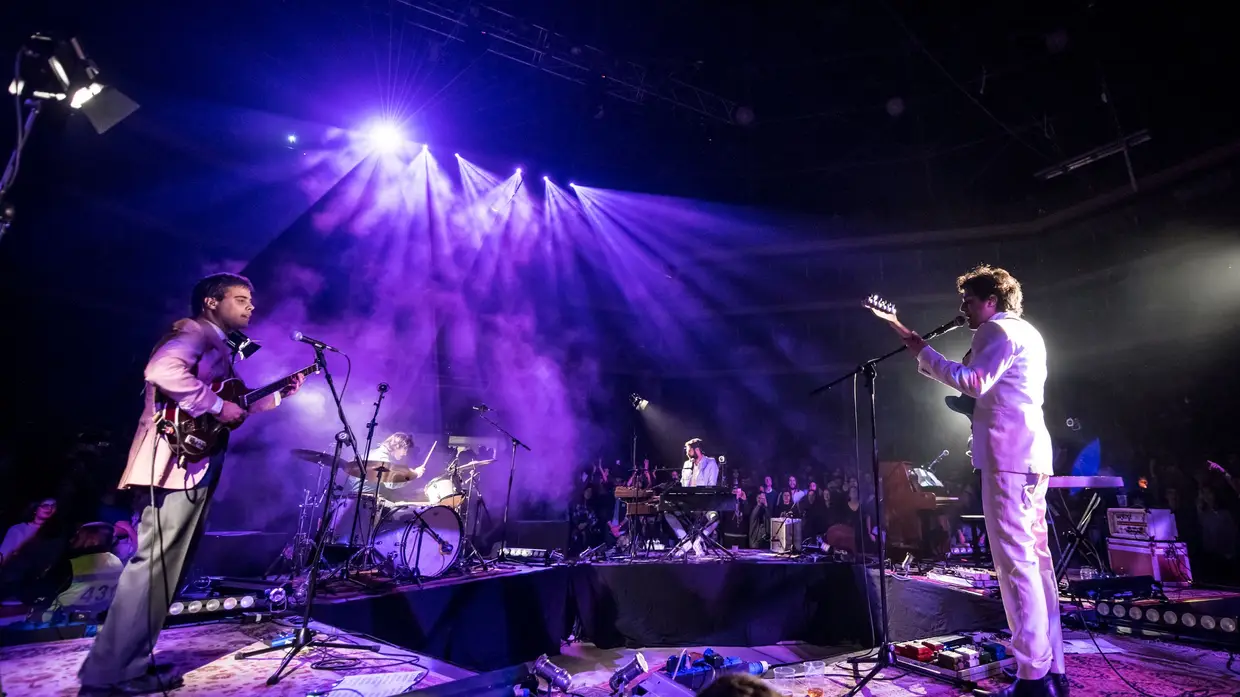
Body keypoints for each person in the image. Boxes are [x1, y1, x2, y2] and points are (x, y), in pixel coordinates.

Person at [78, 272, 304, 696]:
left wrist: (275, 397)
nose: (250, 306)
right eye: (240, 299)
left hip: (192, 464)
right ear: (210, 302)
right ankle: (112, 674)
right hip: (176, 465)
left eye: (251, 300)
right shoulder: (194, 329)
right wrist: (217, 405)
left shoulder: (218, 343)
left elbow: (235, 408)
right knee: (154, 569)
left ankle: (126, 665)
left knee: (165, 571)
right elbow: (161, 369)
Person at [900, 265, 1065, 697]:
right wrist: (927, 358)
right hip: (1032, 455)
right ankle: (1054, 669)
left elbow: (974, 381)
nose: (963, 309)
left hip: (1007, 458)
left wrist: (923, 351)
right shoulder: (1029, 332)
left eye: (969, 301)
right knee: (1038, 563)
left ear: (992, 300)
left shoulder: (994, 331)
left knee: (1015, 565)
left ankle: (1033, 677)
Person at [330, 432, 424, 544]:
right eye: (405, 449)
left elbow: (351, 476)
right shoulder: (383, 459)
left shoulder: (369, 453)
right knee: (406, 515)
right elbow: (391, 484)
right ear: (398, 445)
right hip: (367, 504)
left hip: (350, 500)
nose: (405, 454)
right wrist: (414, 475)